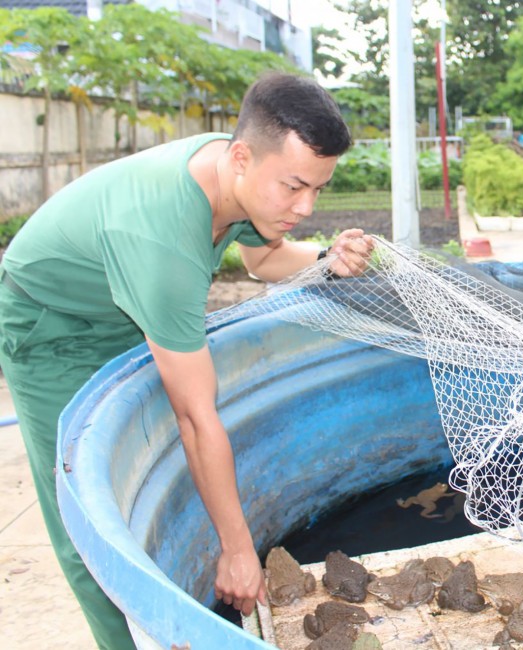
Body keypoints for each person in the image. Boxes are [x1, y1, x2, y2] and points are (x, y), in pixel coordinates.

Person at [0, 72, 374, 649]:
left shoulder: (237, 177)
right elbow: (196, 417)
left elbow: (264, 262)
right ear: (243, 156)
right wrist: (237, 550)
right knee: (88, 515)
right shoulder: (164, 243)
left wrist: (327, 257)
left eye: (318, 190)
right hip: (56, 328)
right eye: (295, 187)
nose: (305, 206)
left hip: (126, 302)